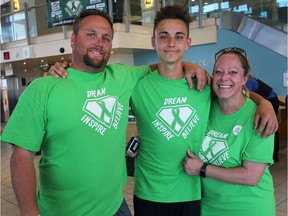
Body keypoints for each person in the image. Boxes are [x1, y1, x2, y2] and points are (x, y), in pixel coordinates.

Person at [1, 9, 208, 216]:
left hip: (115, 206)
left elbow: (164, 65)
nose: (99, 42)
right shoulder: (43, 88)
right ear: (73, 39)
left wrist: (189, 65)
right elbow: (21, 157)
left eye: (106, 38)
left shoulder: (121, 76)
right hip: (62, 210)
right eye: (91, 34)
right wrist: (30, 213)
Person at [129, 6, 210, 216]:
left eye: (178, 37)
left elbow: (237, 92)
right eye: (164, 37)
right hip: (149, 192)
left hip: (191, 191)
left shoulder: (204, 85)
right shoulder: (136, 85)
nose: (171, 43)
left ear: (187, 43)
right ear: (154, 42)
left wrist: (262, 102)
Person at [183, 47, 275, 216]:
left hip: (250, 209)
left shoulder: (259, 117)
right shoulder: (205, 108)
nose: (224, 77)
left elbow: (251, 176)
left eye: (233, 72)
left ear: (244, 79)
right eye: (219, 71)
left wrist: (202, 168)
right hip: (209, 208)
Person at [246, 75, 280, 161]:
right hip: (268, 98)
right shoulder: (250, 80)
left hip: (272, 100)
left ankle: (274, 155)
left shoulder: (248, 82)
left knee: (270, 125)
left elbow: (246, 96)